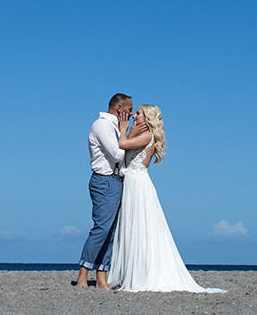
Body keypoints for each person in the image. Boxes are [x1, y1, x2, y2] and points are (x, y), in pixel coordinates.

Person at [107, 105, 223, 293]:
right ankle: (128, 271)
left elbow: (121, 145)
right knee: (131, 226)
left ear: (147, 118)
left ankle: (141, 273)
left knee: (140, 226)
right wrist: (130, 132)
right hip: (132, 182)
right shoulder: (140, 135)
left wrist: (123, 129)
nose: (134, 115)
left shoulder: (147, 136)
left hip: (138, 183)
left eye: (138, 113)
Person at [75, 93, 146, 290]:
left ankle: (101, 277)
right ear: (119, 109)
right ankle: (82, 274)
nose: (132, 114)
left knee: (111, 232)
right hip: (105, 180)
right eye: (129, 109)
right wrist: (128, 134)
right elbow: (116, 154)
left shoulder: (116, 127)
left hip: (117, 180)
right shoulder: (103, 125)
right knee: (102, 228)